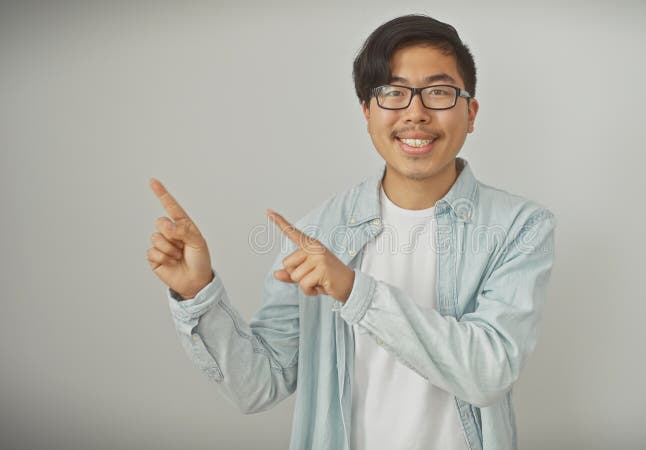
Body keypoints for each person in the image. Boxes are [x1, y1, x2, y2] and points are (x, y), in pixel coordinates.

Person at [146, 14, 556, 450]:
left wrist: (353, 291)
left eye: (438, 92)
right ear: (367, 112)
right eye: (393, 92)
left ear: (470, 113)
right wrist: (198, 293)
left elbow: (489, 372)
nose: (415, 113)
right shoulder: (318, 233)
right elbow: (259, 386)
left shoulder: (519, 227)